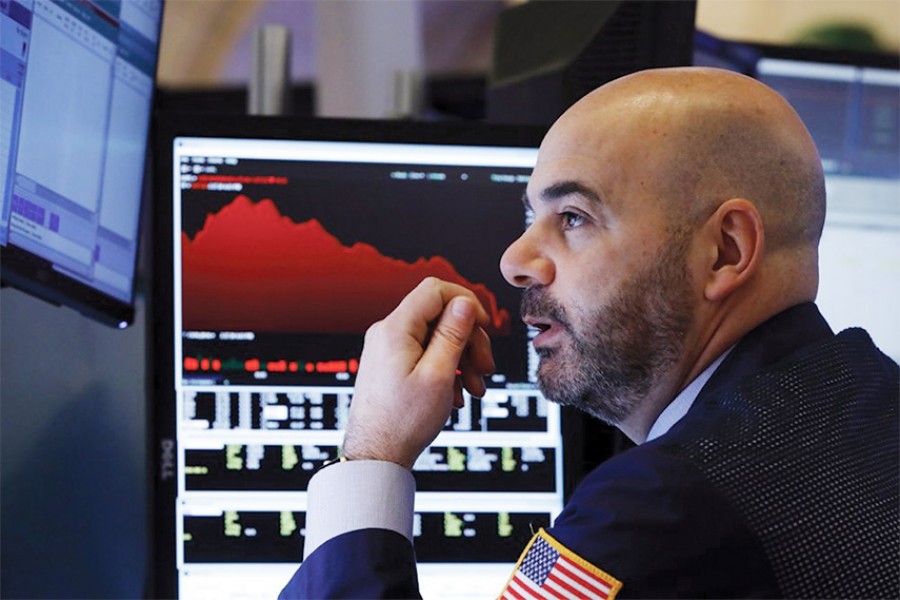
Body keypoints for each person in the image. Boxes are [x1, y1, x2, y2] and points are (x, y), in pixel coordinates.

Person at [280, 67, 899, 599]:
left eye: (573, 217)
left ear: (724, 251)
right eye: (531, 216)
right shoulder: (874, 400)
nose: (515, 259)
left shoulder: (661, 509)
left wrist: (372, 455)